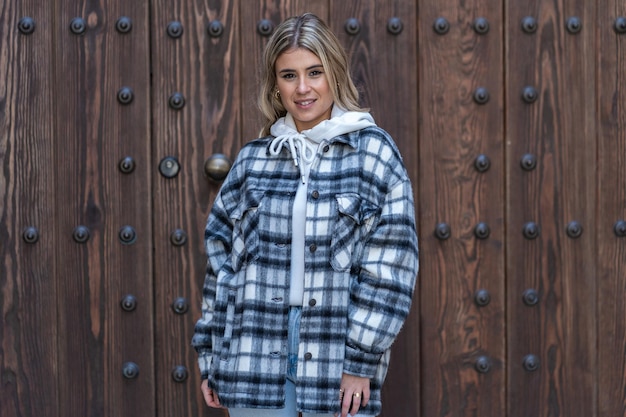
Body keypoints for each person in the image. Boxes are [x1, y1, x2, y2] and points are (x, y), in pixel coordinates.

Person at [192, 13, 419, 417]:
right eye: (288, 75)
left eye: (314, 72)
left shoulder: (374, 155)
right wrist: (212, 354)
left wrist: (360, 360)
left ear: (334, 72)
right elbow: (220, 266)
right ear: (274, 85)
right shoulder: (253, 161)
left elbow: (391, 269)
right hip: (252, 349)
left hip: (335, 350)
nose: (302, 88)